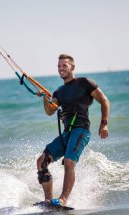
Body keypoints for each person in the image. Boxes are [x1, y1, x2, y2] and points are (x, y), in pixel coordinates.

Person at [36, 54, 110, 207]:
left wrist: (104, 123)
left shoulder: (85, 83)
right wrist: (45, 97)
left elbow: (104, 100)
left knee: (69, 162)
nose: (61, 69)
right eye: (58, 66)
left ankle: (63, 199)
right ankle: (49, 199)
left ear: (72, 67)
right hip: (66, 134)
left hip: (81, 131)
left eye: (64, 65)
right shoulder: (59, 92)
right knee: (41, 161)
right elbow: (50, 111)